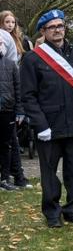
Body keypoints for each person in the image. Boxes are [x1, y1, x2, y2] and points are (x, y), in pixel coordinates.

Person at [20, 9, 73, 227]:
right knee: (49, 174)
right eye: (52, 27)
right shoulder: (32, 59)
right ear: (43, 31)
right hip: (49, 126)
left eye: (60, 26)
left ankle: (72, 209)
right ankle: (52, 212)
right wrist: (40, 124)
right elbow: (28, 96)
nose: (58, 30)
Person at [0, 33, 23, 191]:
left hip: (6, 110)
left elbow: (18, 89)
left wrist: (20, 110)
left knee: (5, 145)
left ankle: (4, 178)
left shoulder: (10, 64)